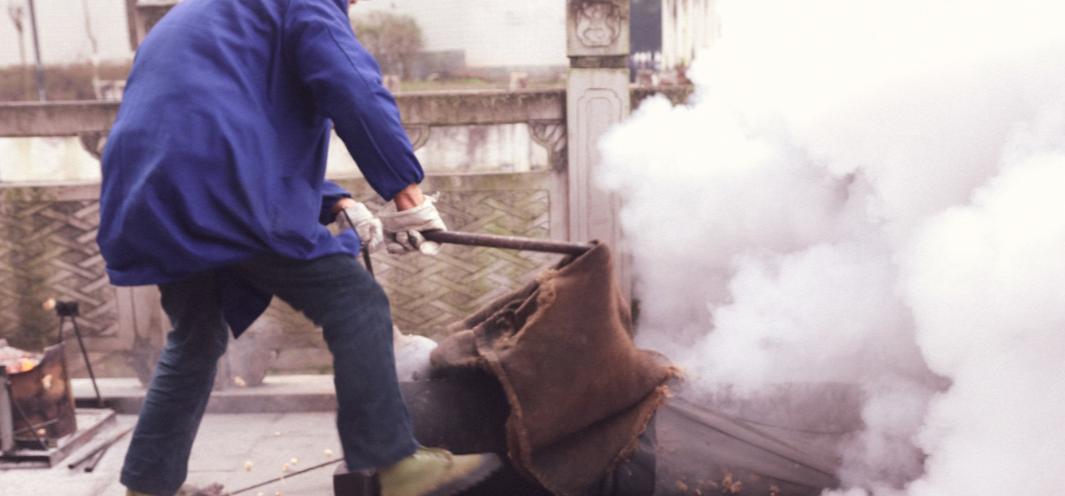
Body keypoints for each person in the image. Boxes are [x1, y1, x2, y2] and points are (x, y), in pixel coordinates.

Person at [97, 0, 500, 494]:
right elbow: (352, 86)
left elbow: (226, 116)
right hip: (220, 184)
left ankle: (148, 487)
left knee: (196, 338)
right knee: (356, 303)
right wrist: (406, 190)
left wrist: (337, 201)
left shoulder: (205, 11)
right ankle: (395, 464)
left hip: (144, 190)